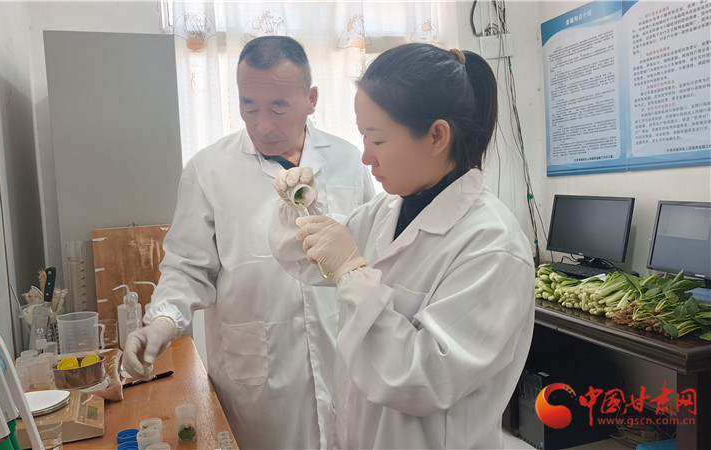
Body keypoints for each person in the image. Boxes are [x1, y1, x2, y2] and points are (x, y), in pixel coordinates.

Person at [269, 43, 535, 449]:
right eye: (363, 137)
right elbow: (306, 262)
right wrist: (298, 208)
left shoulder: (492, 246)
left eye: (376, 140)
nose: (365, 157)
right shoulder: (385, 211)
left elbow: (422, 378)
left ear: (436, 136)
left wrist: (353, 273)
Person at [121, 36, 374, 449]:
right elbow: (187, 266)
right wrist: (162, 323)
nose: (263, 125)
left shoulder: (349, 161)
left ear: (311, 99)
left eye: (278, 106)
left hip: (342, 365)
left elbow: (370, 255)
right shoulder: (209, 170)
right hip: (258, 386)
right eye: (249, 106)